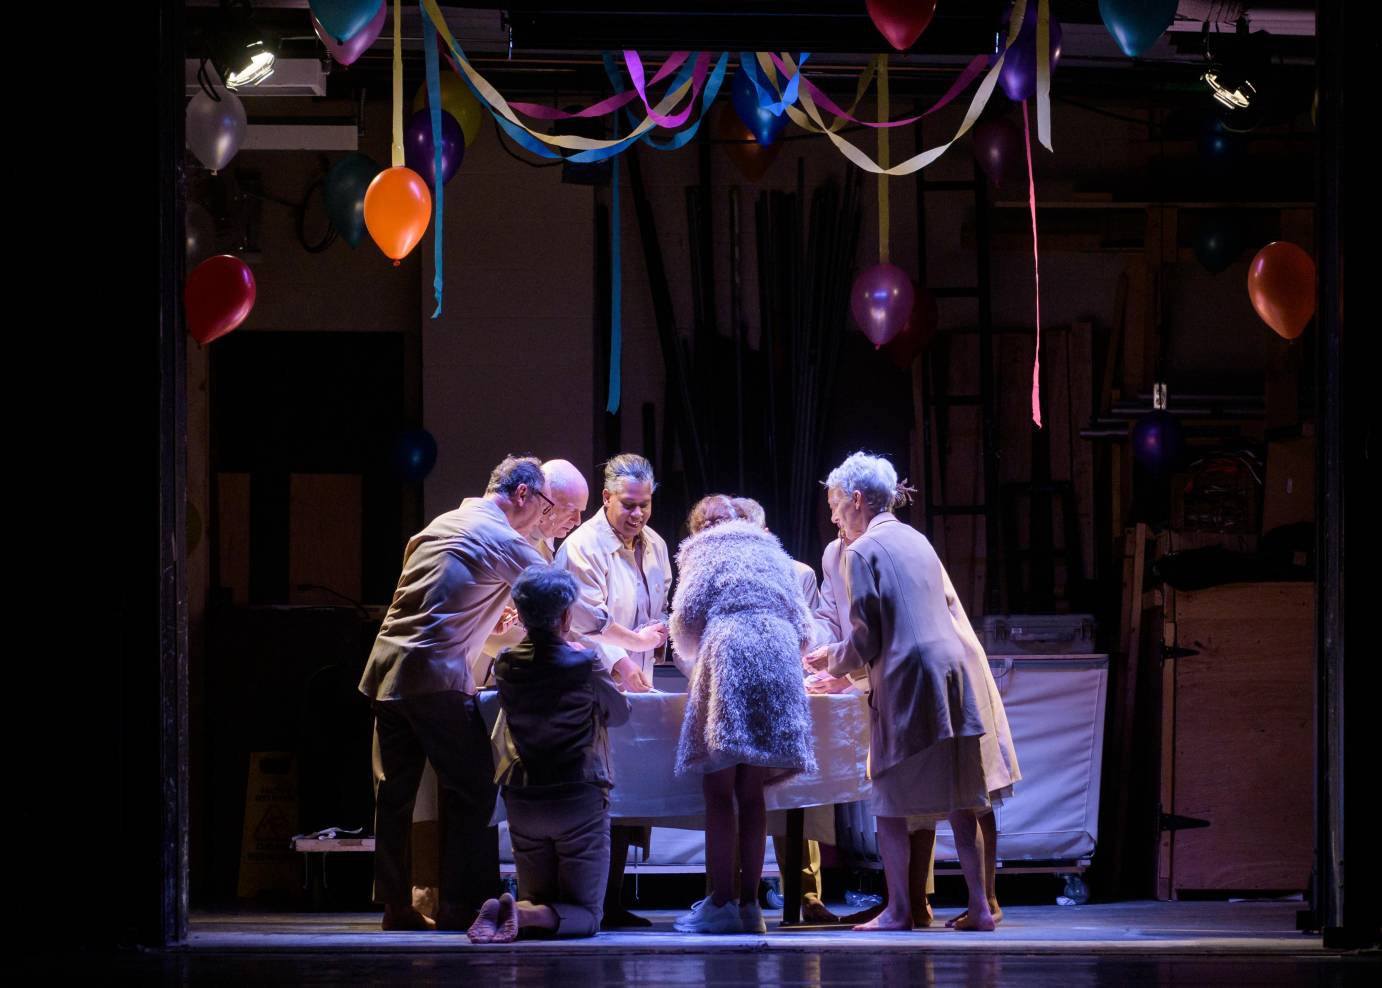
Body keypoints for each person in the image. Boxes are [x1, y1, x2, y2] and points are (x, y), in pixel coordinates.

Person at [804, 452, 1020, 932]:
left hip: (908, 678)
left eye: (837, 505)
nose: (834, 516)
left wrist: (830, 659)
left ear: (858, 499)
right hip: (954, 675)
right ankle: (981, 908)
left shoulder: (862, 551)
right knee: (963, 798)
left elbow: (867, 638)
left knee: (888, 799)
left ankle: (900, 909)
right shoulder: (916, 538)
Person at [358, 455, 550, 932]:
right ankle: (461, 905)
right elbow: (553, 594)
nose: (545, 516)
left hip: (386, 668)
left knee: (394, 794)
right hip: (434, 674)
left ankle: (395, 905)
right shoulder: (501, 536)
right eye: (544, 504)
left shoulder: (443, 522)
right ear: (522, 494)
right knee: (474, 788)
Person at [669, 496, 817, 934]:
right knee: (752, 792)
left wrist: (700, 651)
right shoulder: (772, 550)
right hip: (778, 654)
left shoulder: (702, 550)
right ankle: (750, 906)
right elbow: (805, 629)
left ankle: (719, 904)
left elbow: (685, 620)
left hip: (731, 652)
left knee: (718, 789)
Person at [468, 565, 631, 943]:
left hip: (524, 796)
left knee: (538, 893)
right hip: (578, 793)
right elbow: (620, 713)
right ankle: (523, 917)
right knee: (588, 916)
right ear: (566, 615)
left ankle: (516, 907)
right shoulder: (584, 662)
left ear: (520, 615)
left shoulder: (506, 662)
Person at [554, 453, 672, 927]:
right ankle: (589, 901)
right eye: (628, 504)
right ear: (605, 499)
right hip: (594, 687)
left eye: (645, 505)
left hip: (635, 689)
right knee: (597, 794)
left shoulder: (657, 545)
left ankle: (614, 898)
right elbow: (584, 623)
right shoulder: (583, 546)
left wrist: (657, 648)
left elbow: (656, 614)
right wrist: (623, 663)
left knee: (632, 795)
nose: (638, 514)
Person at [730, 495, 838, 924]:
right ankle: (735, 894)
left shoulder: (797, 574)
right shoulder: (722, 574)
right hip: (738, 692)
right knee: (738, 793)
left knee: (797, 792)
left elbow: (809, 635)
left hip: (786, 690)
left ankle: (807, 894)